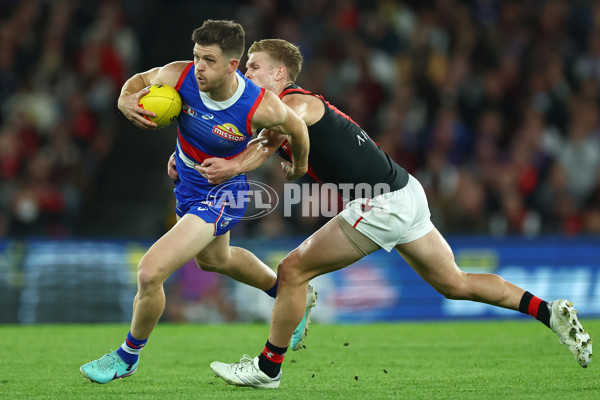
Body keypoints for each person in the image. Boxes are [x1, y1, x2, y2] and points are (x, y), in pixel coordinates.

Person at [193, 39, 592, 389]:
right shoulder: (278, 109)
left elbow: (264, 143)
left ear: (280, 73)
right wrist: (190, 156)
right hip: (404, 190)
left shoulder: (296, 102)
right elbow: (247, 137)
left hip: (380, 201)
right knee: (455, 283)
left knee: (293, 271)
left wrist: (229, 166)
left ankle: (268, 369)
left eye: (253, 66)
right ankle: (547, 311)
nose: (246, 72)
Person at [79, 21, 314, 384]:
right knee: (215, 260)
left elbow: (297, 129)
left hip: (225, 194)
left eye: (209, 60)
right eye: (196, 57)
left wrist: (298, 166)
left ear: (232, 65)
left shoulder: (258, 104)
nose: (199, 67)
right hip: (188, 186)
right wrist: (126, 101)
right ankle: (288, 294)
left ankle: (127, 356)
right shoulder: (179, 75)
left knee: (149, 271)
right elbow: (137, 83)